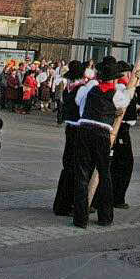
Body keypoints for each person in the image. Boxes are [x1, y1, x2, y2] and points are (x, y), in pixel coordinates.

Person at [73, 57, 130, 229]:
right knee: (105, 174)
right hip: (101, 133)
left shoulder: (91, 90)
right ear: (113, 78)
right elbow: (125, 103)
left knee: (82, 175)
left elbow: (80, 106)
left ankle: (80, 219)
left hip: (84, 129)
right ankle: (105, 217)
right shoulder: (117, 94)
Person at [53, 60, 86, 216]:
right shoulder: (80, 89)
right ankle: (68, 204)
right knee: (74, 166)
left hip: (70, 127)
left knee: (68, 166)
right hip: (77, 129)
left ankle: (62, 204)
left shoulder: (69, 87)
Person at [111, 62, 137, 208]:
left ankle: (117, 195)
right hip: (120, 129)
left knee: (122, 164)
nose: (130, 76)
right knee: (123, 164)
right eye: (128, 73)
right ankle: (117, 197)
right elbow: (124, 102)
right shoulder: (119, 89)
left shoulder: (125, 88)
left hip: (124, 129)